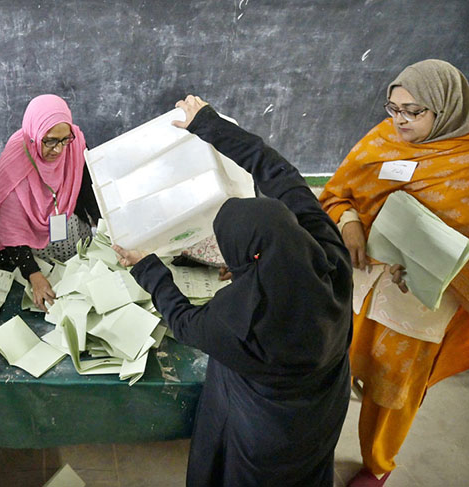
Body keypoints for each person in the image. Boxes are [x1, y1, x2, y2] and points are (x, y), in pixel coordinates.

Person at [114, 95, 353, 486]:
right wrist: (210, 124)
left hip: (263, 429)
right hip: (322, 408)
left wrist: (146, 265)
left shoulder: (238, 323)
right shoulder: (329, 256)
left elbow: (184, 321)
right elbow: (280, 174)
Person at [318, 59, 469, 487]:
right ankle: (314, 444)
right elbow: (337, 193)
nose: (399, 121)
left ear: (445, 111)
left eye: (414, 112)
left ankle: (377, 465)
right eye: (393, 107)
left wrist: (441, 262)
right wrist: (349, 221)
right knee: (331, 364)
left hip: (417, 306)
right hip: (357, 282)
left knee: (392, 391)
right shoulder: (383, 138)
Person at [0, 94, 100, 311]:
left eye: (64, 140)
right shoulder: (14, 164)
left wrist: (106, 231)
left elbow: (87, 192)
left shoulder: (75, 145)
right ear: (34, 135)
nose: (58, 149)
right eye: (49, 141)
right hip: (32, 254)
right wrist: (33, 275)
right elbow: (11, 230)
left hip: (71, 244)